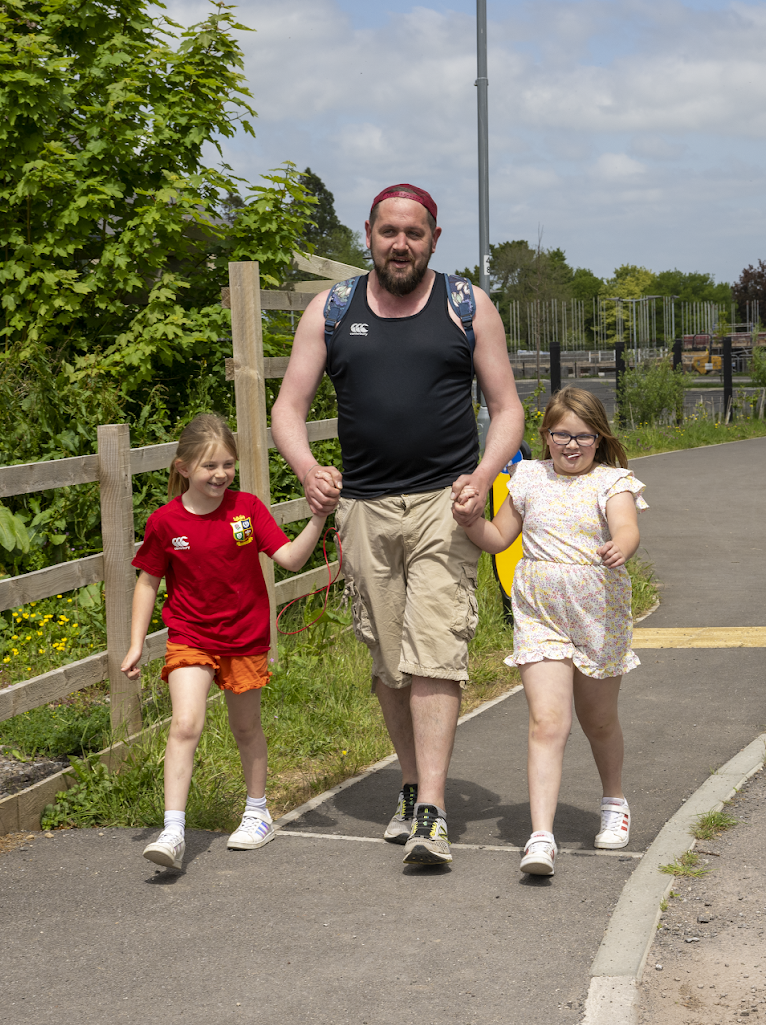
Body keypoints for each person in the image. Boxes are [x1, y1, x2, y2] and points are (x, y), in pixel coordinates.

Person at [271, 183, 523, 866]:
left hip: (447, 505)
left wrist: (482, 475)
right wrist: (305, 469)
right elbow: (288, 408)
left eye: (415, 233)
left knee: (436, 652)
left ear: (435, 238)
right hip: (362, 510)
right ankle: (411, 788)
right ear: (369, 235)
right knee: (390, 664)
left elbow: (506, 409)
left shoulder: (467, 307)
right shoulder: (334, 309)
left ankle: (432, 814)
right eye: (389, 232)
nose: (401, 244)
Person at [452, 387, 645, 877]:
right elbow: (498, 539)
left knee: (598, 720)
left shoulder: (613, 481)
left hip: (599, 614)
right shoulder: (528, 476)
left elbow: (626, 527)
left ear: (599, 439)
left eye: (583, 436)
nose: (572, 445)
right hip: (539, 613)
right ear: (546, 436)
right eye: (562, 435)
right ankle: (541, 837)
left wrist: (620, 547)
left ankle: (614, 801)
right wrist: (470, 519)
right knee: (547, 722)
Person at [120, 414, 327, 870]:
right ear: (183, 468)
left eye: (227, 465)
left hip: (244, 638)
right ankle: (174, 830)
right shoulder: (164, 522)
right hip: (190, 637)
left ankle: (257, 813)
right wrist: (136, 642)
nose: (219, 474)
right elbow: (147, 581)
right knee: (185, 724)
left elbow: (290, 558)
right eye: (209, 465)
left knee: (246, 729)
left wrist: (318, 518)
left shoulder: (247, 509)